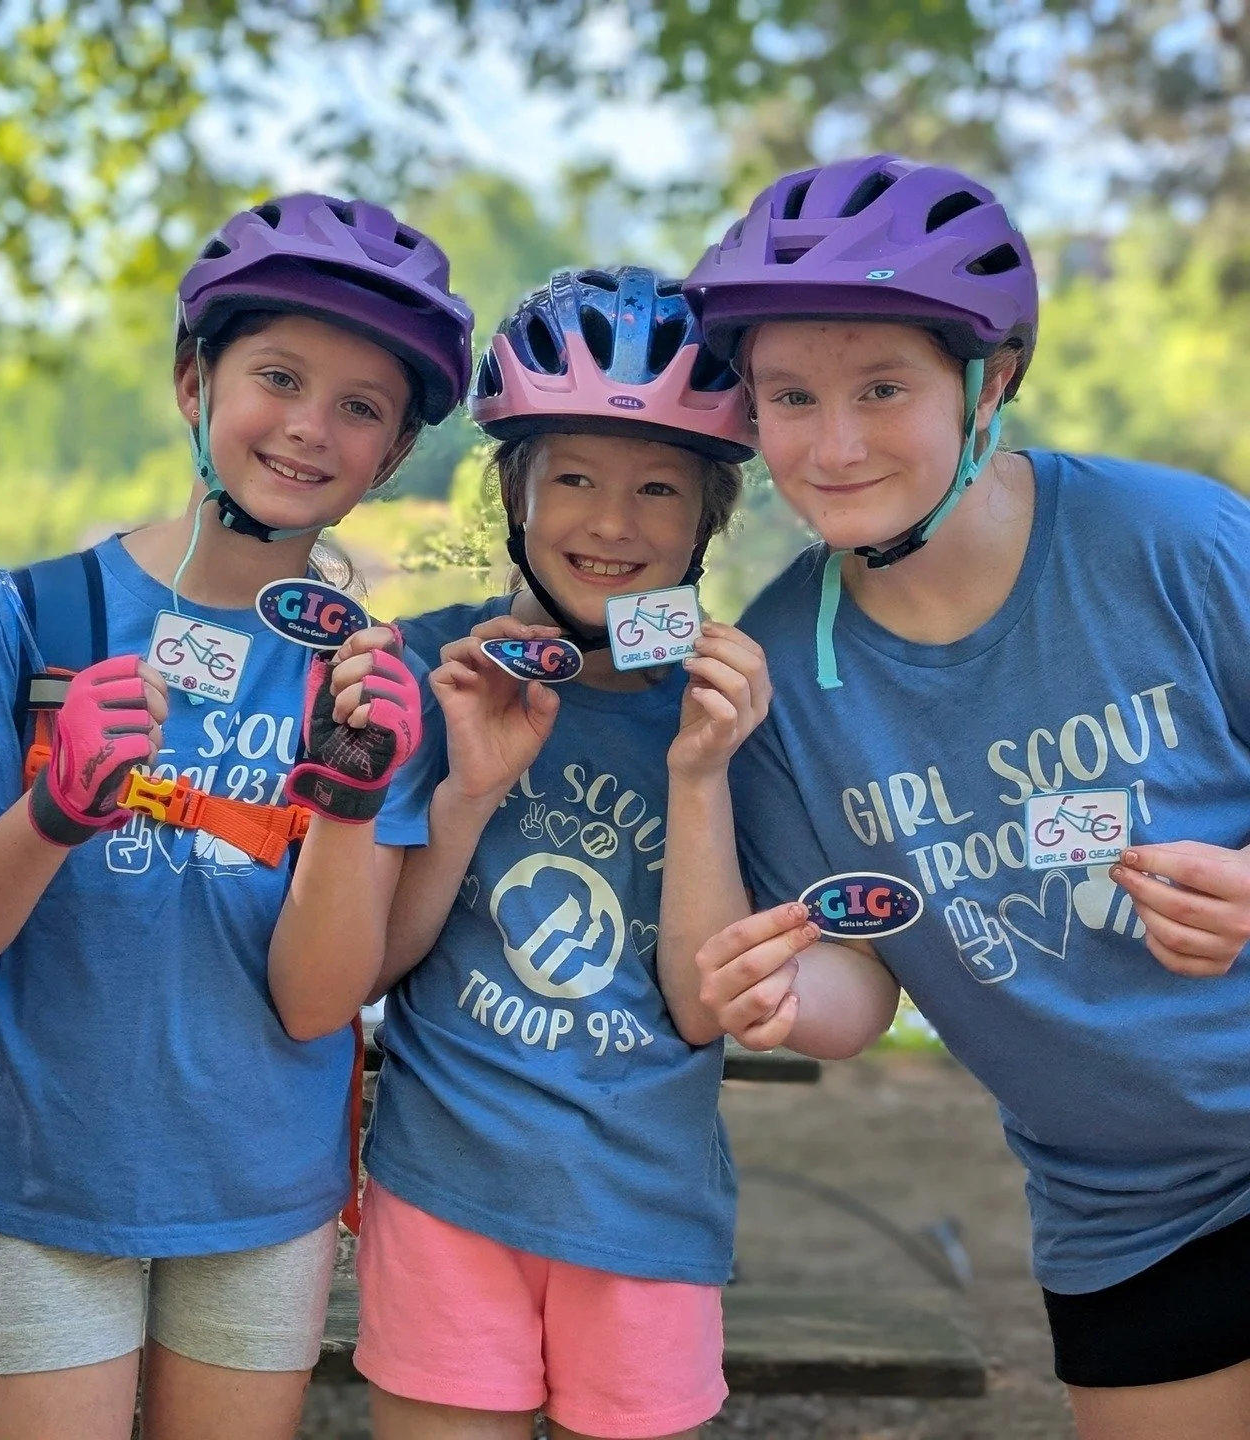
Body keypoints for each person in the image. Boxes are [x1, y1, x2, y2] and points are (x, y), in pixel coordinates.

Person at [684, 154, 1250, 1438]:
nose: (831, 446)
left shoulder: (1176, 545)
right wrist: (781, 993)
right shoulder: (784, 672)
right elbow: (861, 979)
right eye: (789, 397)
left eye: (883, 388)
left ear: (985, 380)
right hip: (1129, 1208)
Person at [0, 194, 471, 1440]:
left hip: (264, 1196)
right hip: (44, 1183)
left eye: (362, 407)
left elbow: (324, 1003)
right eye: (278, 375)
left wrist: (346, 798)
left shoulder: (376, 681)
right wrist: (52, 813)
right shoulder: (35, 620)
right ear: (191, 381)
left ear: (391, 456)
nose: (310, 427)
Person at [356, 268, 768, 1440]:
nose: (611, 523)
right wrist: (471, 791)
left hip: (643, 1208)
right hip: (445, 1190)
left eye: (656, 489)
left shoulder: (728, 708)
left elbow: (702, 1010)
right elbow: (376, 963)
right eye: (573, 478)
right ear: (514, 495)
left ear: (708, 520)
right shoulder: (431, 669)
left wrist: (696, 771)